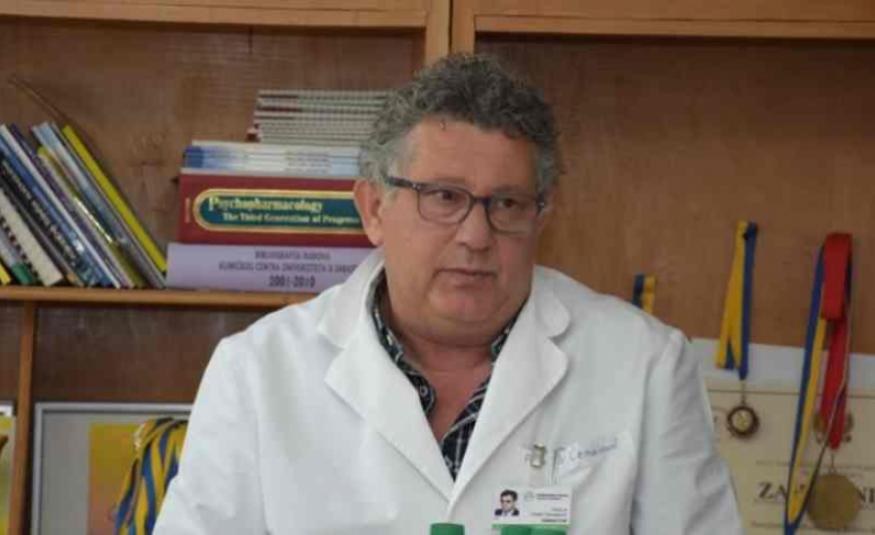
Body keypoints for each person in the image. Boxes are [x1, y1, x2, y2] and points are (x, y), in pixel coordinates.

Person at [155, 53, 743, 534]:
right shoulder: (257, 372)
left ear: (540, 218)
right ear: (373, 209)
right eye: (443, 197)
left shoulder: (644, 365)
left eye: (506, 203)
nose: (476, 236)